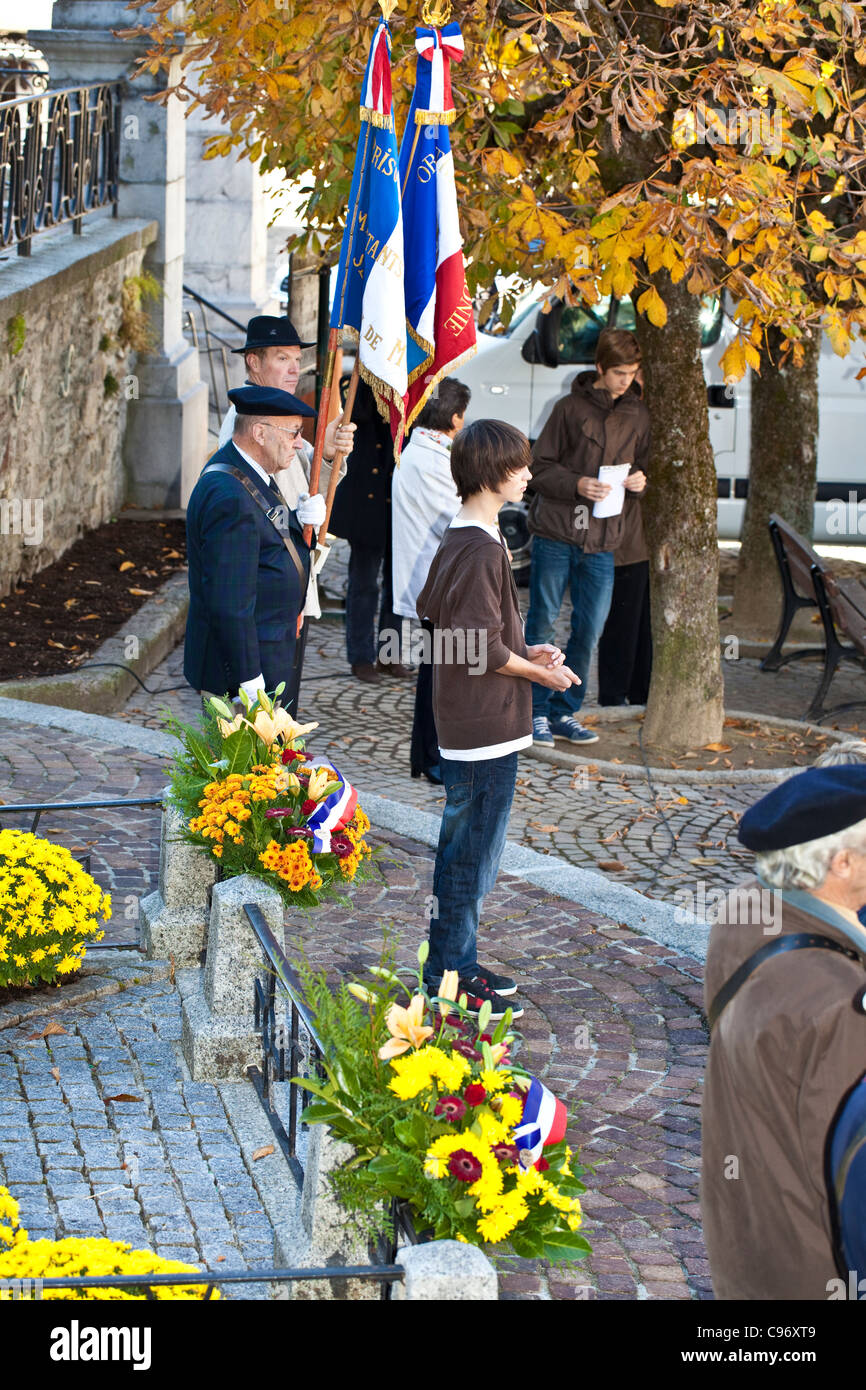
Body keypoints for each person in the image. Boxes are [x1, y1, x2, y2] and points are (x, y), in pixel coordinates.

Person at [416, 419, 579, 1019]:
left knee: (467, 849)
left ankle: (454, 960)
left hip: (473, 721)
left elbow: (458, 625)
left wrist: (528, 648)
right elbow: (479, 647)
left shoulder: (468, 534)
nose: (530, 476)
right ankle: (448, 974)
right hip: (482, 728)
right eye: (521, 467)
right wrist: (542, 675)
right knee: (471, 856)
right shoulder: (481, 545)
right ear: (491, 473)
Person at [701, 765, 866, 1300]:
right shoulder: (843, 1006)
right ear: (842, 862)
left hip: (746, 1238)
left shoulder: (746, 910)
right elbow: (853, 1169)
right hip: (816, 1267)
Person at [525, 327, 649, 745]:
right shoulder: (567, 408)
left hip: (605, 540)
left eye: (631, 373)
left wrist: (639, 481)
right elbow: (538, 469)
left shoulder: (637, 413)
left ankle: (565, 712)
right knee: (543, 623)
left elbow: (644, 465)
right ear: (600, 368)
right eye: (618, 373)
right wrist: (578, 484)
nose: (626, 381)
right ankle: (533, 712)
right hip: (557, 533)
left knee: (589, 629)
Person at [184, 385, 326, 710]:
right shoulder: (230, 496)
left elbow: (263, 542)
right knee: (246, 762)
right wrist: (249, 680)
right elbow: (230, 601)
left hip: (267, 652)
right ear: (260, 433)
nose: (300, 443)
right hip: (244, 672)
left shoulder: (249, 470)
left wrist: (297, 519)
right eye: (293, 433)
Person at [391, 377, 470, 782]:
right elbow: (459, 516)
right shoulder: (429, 459)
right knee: (440, 674)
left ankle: (426, 756)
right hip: (437, 583)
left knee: (435, 670)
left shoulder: (422, 452)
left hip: (434, 580)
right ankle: (432, 756)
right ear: (456, 418)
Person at [329, 379, 410, 683]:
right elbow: (355, 412)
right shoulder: (366, 378)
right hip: (367, 501)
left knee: (396, 585)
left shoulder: (411, 377)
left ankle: (389, 655)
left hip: (398, 499)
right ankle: (361, 657)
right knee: (364, 584)